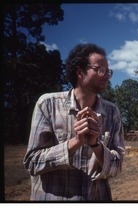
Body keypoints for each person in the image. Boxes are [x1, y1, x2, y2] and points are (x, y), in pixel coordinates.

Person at [23, 43, 125, 201]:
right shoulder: (48, 105)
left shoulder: (112, 113)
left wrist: (96, 145)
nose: (107, 75)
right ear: (80, 72)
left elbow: (117, 166)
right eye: (100, 69)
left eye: (108, 71)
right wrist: (75, 142)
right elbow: (32, 162)